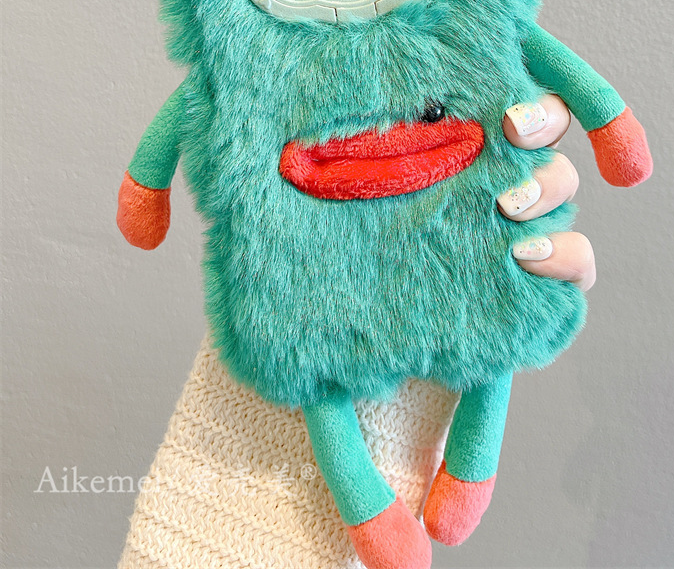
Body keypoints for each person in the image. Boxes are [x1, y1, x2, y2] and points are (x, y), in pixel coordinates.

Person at [119, 96, 595, 569]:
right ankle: (419, 493)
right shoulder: (275, 89)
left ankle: (455, 478)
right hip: (230, 505)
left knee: (498, 303)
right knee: (317, 355)